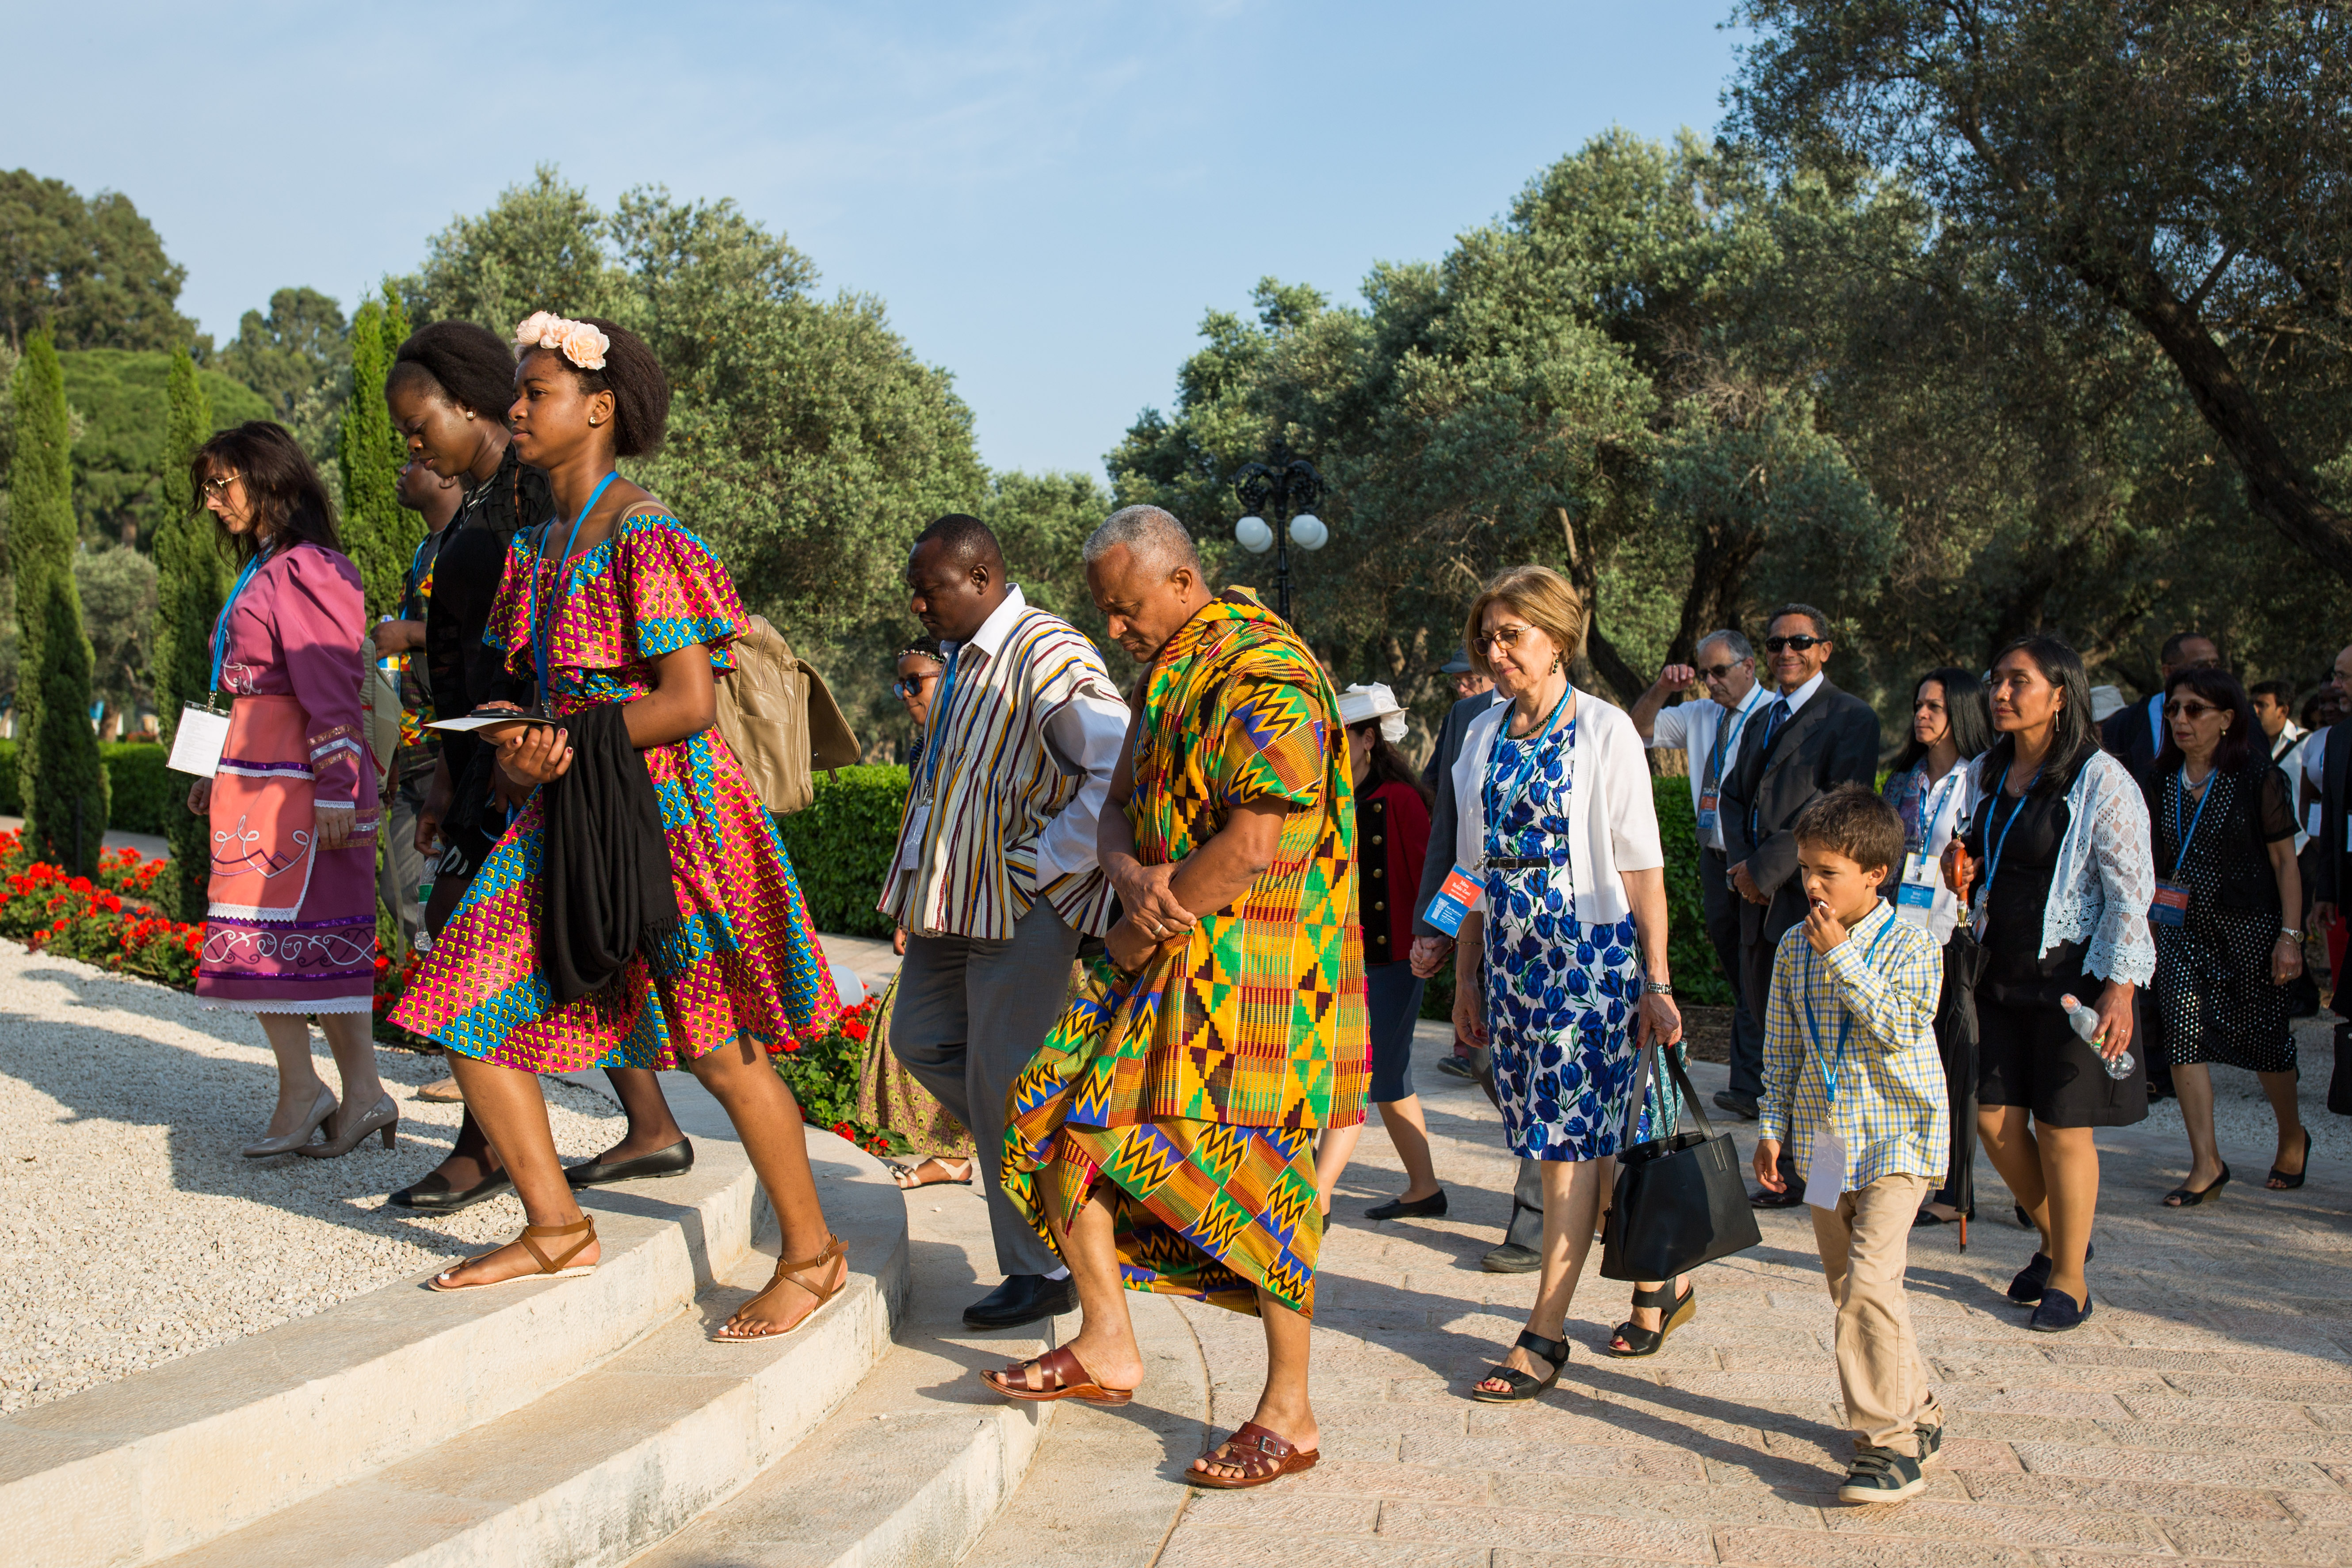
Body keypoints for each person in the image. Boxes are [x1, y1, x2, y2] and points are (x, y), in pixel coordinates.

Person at [388, 313, 845, 1342]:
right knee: (457, 999)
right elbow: (524, 693)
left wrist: (569, 736)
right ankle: (556, 1224)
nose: (516, 408)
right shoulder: (538, 541)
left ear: (597, 407)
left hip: (669, 820)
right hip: (569, 810)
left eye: (535, 391)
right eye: (517, 390)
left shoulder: (648, 534)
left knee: (723, 1052)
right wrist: (519, 744)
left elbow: (687, 701)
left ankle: (814, 1256)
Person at [988, 506, 1364, 1491]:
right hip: (1164, 952)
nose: (1113, 631)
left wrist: (1139, 915)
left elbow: (1253, 845)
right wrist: (1129, 876)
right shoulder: (1167, 668)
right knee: (1045, 1118)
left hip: (1258, 976)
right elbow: (1113, 805)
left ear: (1182, 581)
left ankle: (1291, 1414)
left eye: (1124, 609)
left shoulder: (1264, 668)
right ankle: (1107, 1343)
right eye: (1106, 614)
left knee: (1257, 1178)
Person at [381, 320, 689, 1214]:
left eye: (418, 421)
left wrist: (526, 755)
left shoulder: (536, 502)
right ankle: (621, 1146)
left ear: (469, 406)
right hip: (501, 755)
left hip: (545, 762)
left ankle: (496, 1154)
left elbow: (573, 656)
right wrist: (453, 768)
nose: (412, 442)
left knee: (484, 945)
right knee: (513, 953)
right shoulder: (496, 511)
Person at [1442, 566, 1686, 1399]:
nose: (1496, 648)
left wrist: (1658, 980)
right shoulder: (1481, 734)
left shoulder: (1606, 730)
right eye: (1489, 635)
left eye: (1512, 634)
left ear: (1557, 640)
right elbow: (1469, 869)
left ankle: (1544, 1331)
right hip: (1512, 967)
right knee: (1573, 1141)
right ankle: (1660, 1280)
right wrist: (1464, 972)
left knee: (1564, 1150)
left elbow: (1644, 868)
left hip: (1589, 965)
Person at [882, 513, 1129, 1332]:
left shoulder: (1047, 650)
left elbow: (1114, 761)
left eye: (932, 589)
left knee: (998, 1081)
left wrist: (1042, 862)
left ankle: (1044, 1265)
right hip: (954, 908)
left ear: (981, 578)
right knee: (920, 1040)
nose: (920, 606)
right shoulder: (962, 661)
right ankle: (1046, 1145)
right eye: (916, 593)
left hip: (1020, 908)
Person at [184, 422, 394, 1161]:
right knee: (309, 945)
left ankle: (310, 1091)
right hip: (263, 775)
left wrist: (339, 787)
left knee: (268, 947)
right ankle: (361, 1093)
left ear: (268, 477)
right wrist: (221, 767)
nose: (212, 503)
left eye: (221, 484)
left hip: (299, 784)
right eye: (206, 489)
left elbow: (331, 685)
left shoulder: (306, 568)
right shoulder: (275, 565)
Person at [1945, 635, 2151, 1333]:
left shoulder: (2101, 779)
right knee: (1994, 1121)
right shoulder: (1982, 772)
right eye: (1996, 679)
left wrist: (2121, 988)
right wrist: (1959, 868)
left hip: (2076, 981)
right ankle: (2063, 1234)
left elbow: (2131, 894)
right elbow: (1971, 853)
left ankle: (2069, 1275)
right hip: (1997, 975)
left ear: (2060, 694)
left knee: (2063, 1129)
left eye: (2018, 681)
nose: (2001, 693)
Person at [1753, 785, 1950, 1503]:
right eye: (1807, 868)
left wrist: (1841, 958)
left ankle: (1889, 1447)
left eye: (1827, 871)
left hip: (1901, 1135)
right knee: (1854, 1293)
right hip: (1827, 1141)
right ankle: (1920, 1406)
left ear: (1875, 874)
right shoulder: (1793, 950)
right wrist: (1773, 1129)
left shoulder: (1913, 945)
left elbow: (1898, 1027)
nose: (1811, 884)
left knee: (1871, 1282)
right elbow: (1782, 1049)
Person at [1720, 604, 1882, 1206]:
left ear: (1825, 649)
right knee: (1776, 1037)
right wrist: (1744, 866)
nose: (1786, 651)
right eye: (1776, 643)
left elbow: (1839, 806)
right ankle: (1782, 1168)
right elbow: (1734, 796)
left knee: (1827, 1042)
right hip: (1756, 901)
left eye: (1800, 641)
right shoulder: (1764, 716)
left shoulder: (1852, 717)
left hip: (1811, 900)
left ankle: (1831, 1177)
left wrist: (1766, 869)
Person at [2148, 667, 2310, 1201]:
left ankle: (2291, 1135)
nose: (2180, 719)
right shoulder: (2161, 781)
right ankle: (2206, 1163)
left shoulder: (2257, 778)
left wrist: (2290, 936)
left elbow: (2286, 863)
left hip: (2250, 927)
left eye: (2195, 709)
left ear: (2227, 719)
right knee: (2182, 1032)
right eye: (2173, 709)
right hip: (2181, 927)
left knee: (2263, 1039)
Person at [1408, 651, 1526, 1265]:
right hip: (1478, 919)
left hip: (1557, 938)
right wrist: (1439, 925)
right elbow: (1454, 833)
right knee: (1483, 1056)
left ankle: (1536, 1215)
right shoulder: (1467, 718)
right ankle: (1576, 1176)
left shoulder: (1590, 721)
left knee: (1542, 1074)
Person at [1631, 629, 1771, 1123]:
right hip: (1713, 858)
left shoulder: (1772, 714)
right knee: (1737, 970)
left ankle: (1751, 1083)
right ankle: (1750, 1080)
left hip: (1754, 858)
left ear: (1749, 667)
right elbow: (1637, 730)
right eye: (1705, 673)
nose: (1711, 682)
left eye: (1721, 671)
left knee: (1756, 968)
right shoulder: (1699, 715)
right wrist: (1664, 688)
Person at [1313, 683, 1442, 1221]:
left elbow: (1429, 878)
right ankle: (1424, 1187)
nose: (1329, 747)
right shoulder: (1328, 799)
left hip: (1394, 960)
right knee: (1388, 1079)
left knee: (1365, 1075)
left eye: (1340, 736)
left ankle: (1313, 1197)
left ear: (1368, 739)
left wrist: (1431, 943)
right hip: (1339, 956)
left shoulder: (1402, 800)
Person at [858, 635, 976, 1192]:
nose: (905, 694)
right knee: (910, 1034)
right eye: (899, 682)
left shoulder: (982, 739)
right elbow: (920, 835)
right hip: (935, 916)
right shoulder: (920, 750)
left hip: (984, 919)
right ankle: (952, 1152)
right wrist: (907, 911)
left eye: (916, 681)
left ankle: (974, 1152)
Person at [1880, 668, 1991, 1227]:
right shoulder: (1903, 781)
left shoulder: (1983, 779)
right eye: (1918, 704)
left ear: (1963, 715)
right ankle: (1912, 1175)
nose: (1921, 715)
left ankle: (1958, 1192)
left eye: (1934, 707)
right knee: (1912, 1059)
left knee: (1958, 1059)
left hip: (1960, 937)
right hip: (1904, 936)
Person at [369, 458, 462, 959]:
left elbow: (483, 637)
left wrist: (409, 634)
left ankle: (458, 1014)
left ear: (447, 474)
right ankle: (443, 1007)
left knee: (435, 898)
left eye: (413, 461)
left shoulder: (466, 546)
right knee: (403, 892)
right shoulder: (425, 550)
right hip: (417, 756)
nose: (399, 470)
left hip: (450, 755)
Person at [2100, 630, 2221, 793]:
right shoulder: (2125, 726)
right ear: (2168, 672)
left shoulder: (2239, 715)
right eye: (2201, 666)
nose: (2212, 673)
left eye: (2216, 665)